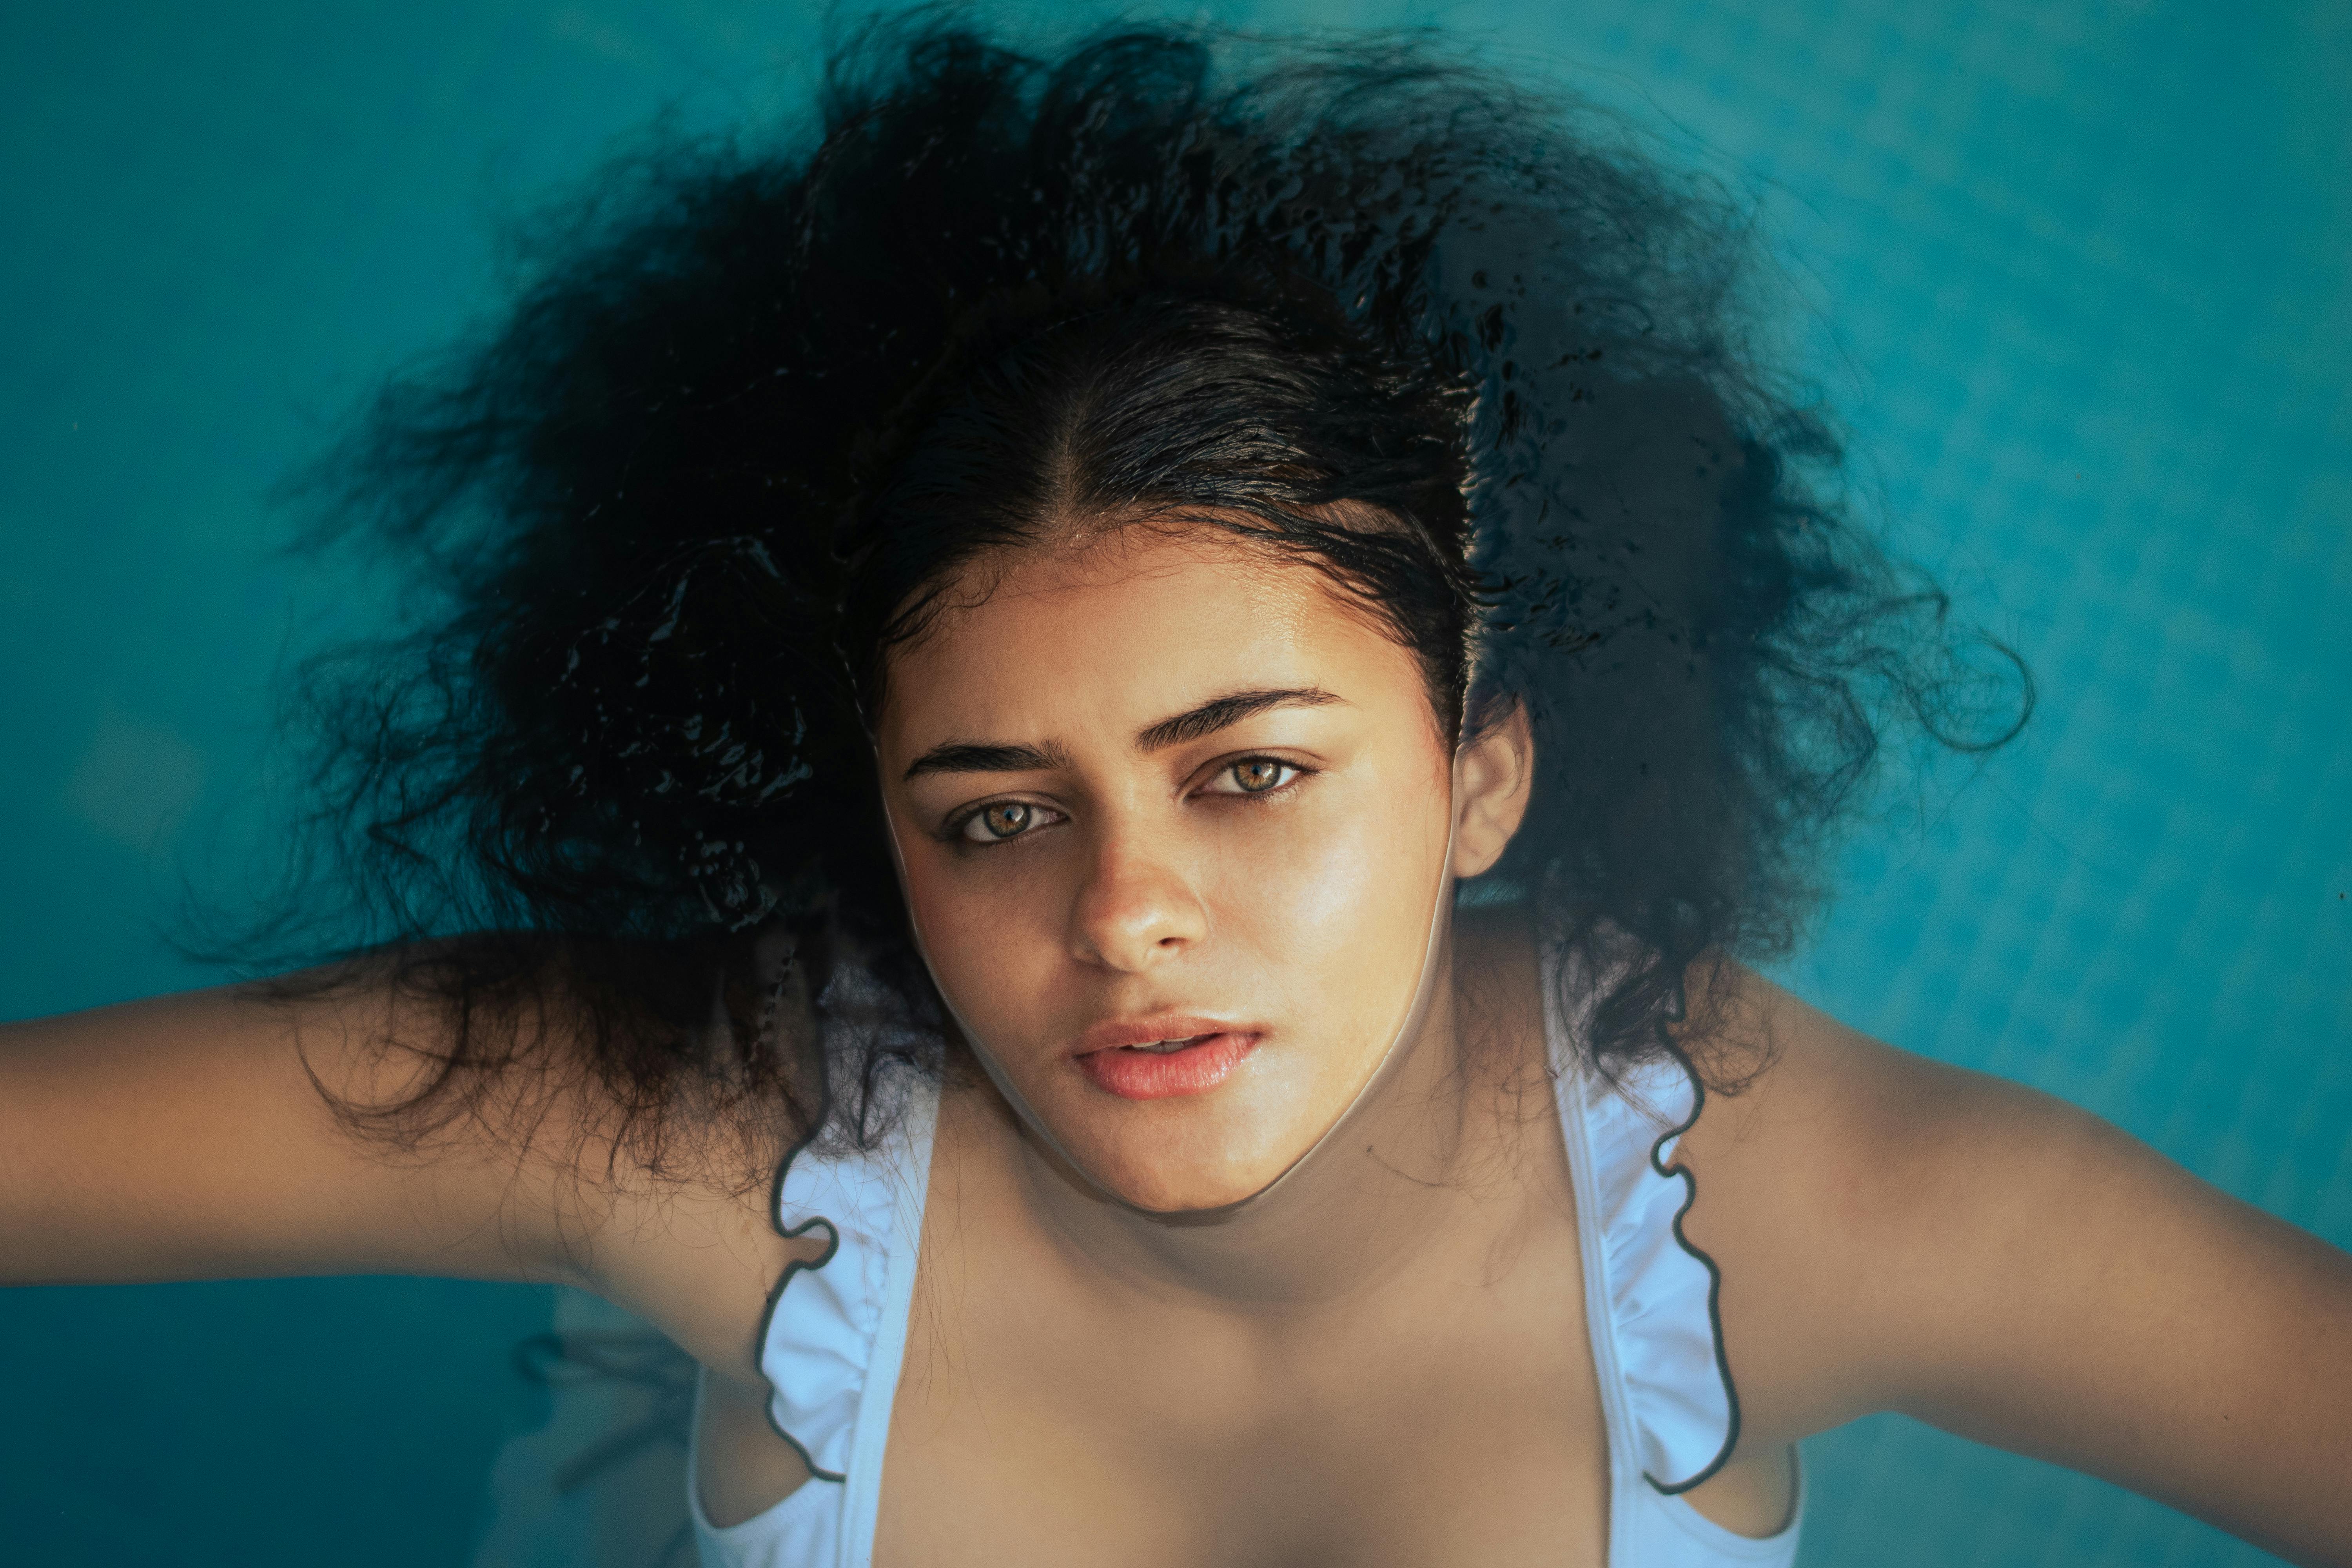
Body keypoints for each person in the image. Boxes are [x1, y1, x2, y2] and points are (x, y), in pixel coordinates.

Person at [4, 20, 2346, 1568]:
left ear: (1487, 773)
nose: (1125, 914)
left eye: (1250, 775)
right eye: (996, 812)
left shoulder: (1810, 1208)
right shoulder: (712, 1136)